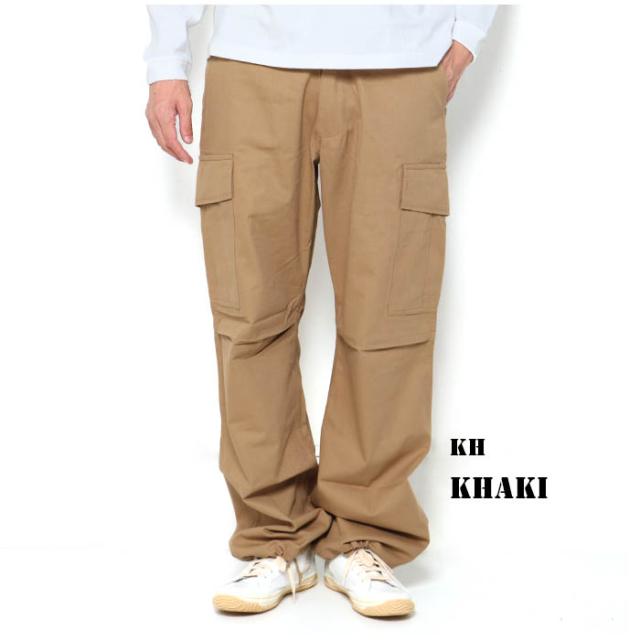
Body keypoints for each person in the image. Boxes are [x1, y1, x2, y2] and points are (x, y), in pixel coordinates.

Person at [145, 4, 496, 617]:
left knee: (390, 315)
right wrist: (165, 58)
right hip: (253, 62)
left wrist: (469, 31)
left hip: (398, 64)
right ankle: (273, 537)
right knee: (250, 314)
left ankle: (365, 536)